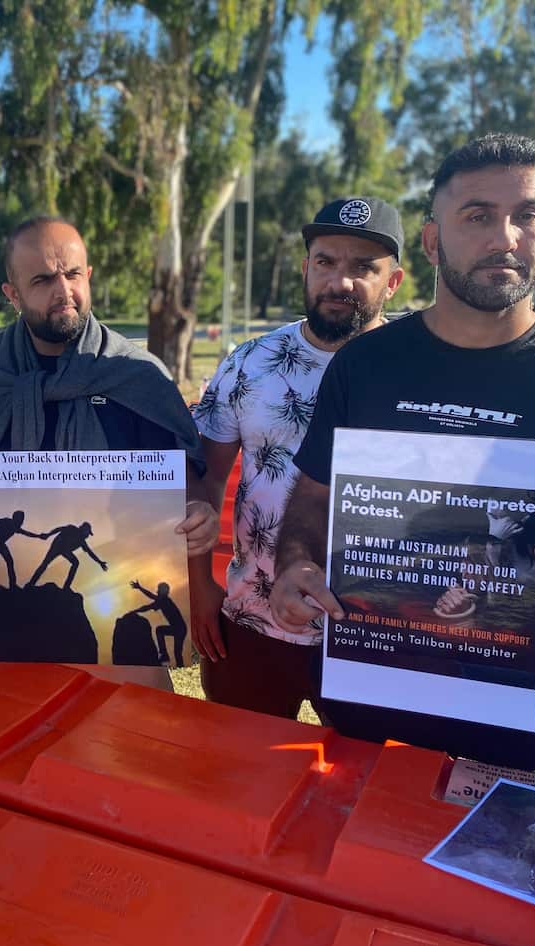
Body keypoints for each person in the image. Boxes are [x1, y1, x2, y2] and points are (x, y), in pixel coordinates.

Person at [271, 134, 535, 772]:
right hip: (368, 704)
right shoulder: (364, 363)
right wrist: (295, 563)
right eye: (476, 215)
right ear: (431, 241)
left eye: (527, 215)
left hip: (514, 718)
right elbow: (312, 498)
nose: (504, 236)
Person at [0, 216, 218, 687]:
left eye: (72, 274)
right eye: (42, 280)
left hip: (112, 614)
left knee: (125, 750)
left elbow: (184, 476)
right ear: (11, 294)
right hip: (4, 636)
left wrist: (197, 512)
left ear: (88, 275)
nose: (63, 291)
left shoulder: (138, 375)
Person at [189, 197, 405, 717]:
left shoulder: (417, 370)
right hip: (249, 622)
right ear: (307, 269)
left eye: (363, 268)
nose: (341, 282)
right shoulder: (251, 362)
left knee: (363, 787)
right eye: (327, 262)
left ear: (392, 282)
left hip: (372, 631)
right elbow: (204, 478)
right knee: (239, 779)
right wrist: (198, 586)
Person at [27, 521, 107, 591]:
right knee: (45, 563)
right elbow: (59, 529)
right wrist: (48, 534)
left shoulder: (82, 541)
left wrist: (100, 562)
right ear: (83, 529)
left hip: (66, 550)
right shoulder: (72, 528)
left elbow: (90, 553)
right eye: (87, 533)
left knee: (75, 563)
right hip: (57, 545)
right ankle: (31, 583)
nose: (88, 536)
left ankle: (66, 587)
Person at [129, 580, 189, 667]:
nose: (157, 591)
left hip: (179, 629)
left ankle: (164, 654)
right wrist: (140, 589)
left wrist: (135, 610)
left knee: (160, 630)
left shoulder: (164, 600)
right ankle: (174, 662)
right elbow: (149, 602)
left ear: (162, 591)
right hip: (181, 629)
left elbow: (149, 604)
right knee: (177, 653)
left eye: (159, 589)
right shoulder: (163, 601)